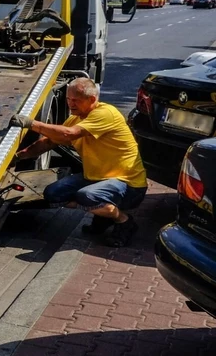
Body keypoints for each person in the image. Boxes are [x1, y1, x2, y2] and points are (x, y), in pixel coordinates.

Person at [11, 77, 147, 247]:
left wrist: (30, 123)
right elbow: (50, 141)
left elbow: (68, 134)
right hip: (96, 178)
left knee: (86, 196)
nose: (71, 104)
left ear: (92, 99)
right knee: (53, 194)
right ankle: (103, 215)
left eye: (76, 100)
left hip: (129, 185)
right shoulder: (76, 118)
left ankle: (123, 221)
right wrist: (20, 155)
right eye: (68, 99)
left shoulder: (105, 114)